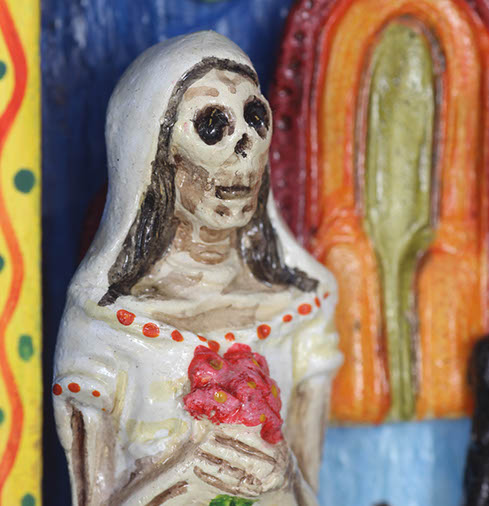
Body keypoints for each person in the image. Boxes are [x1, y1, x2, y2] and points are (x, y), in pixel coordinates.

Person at [53, 31, 340, 506]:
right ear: (155, 151)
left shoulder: (300, 312)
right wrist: (181, 477)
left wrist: (284, 476)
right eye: (212, 126)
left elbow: (311, 493)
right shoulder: (105, 329)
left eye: (255, 119)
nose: (244, 148)